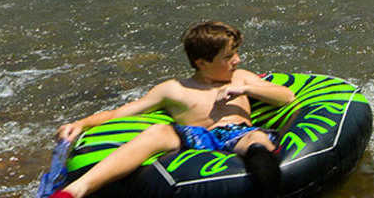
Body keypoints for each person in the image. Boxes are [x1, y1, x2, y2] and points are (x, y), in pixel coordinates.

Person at [47, 21, 294, 198]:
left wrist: (246, 90)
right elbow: (121, 112)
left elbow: (286, 96)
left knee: (256, 139)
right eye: (228, 56)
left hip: (238, 133)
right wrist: (80, 124)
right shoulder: (174, 89)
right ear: (202, 62)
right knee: (158, 132)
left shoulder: (241, 77)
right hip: (197, 136)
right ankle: (75, 190)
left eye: (236, 53)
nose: (237, 60)